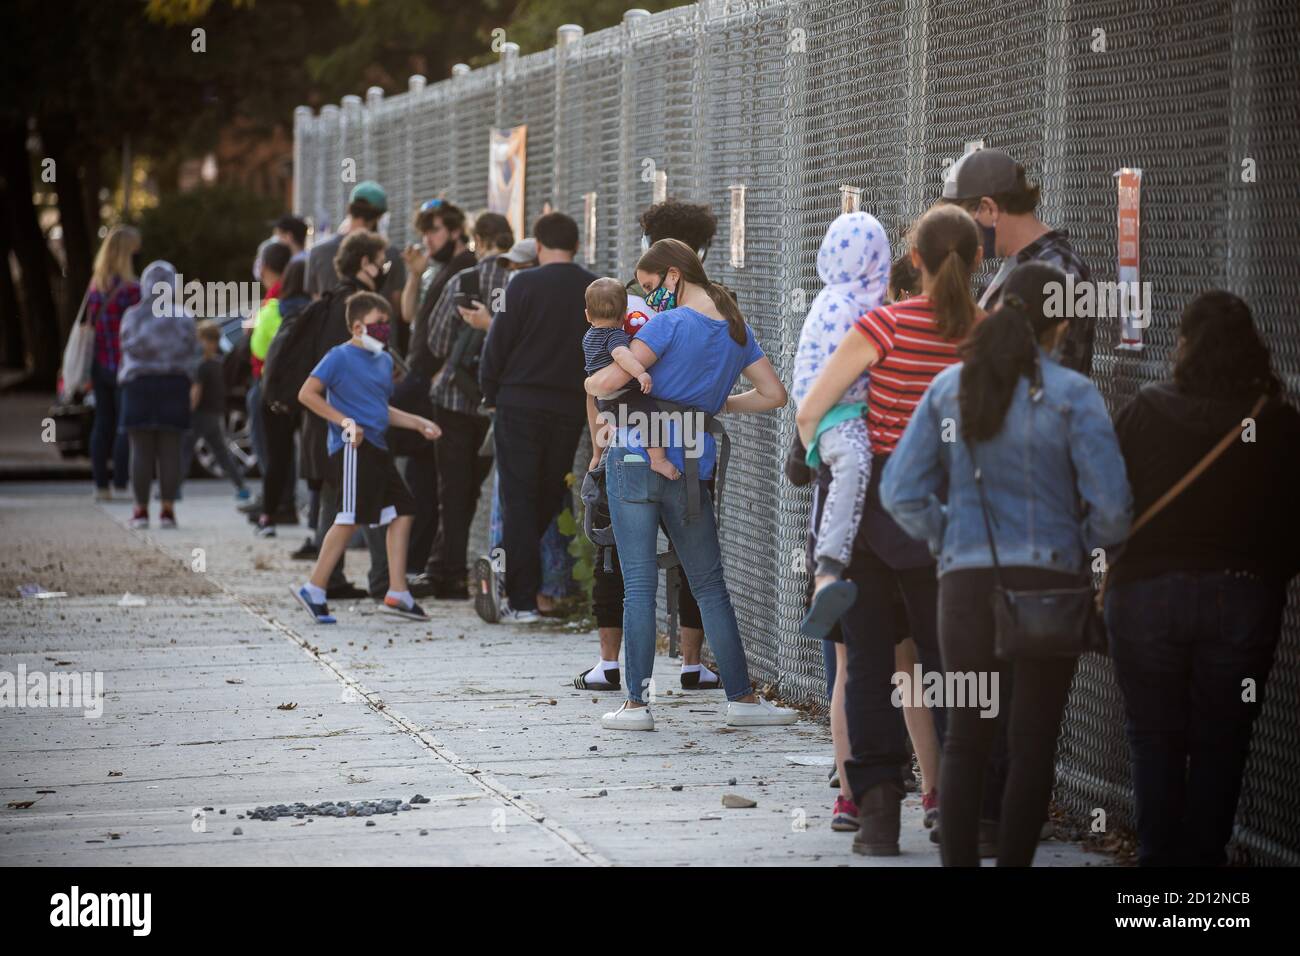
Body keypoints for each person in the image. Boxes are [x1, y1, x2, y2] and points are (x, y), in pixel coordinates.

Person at [881, 261, 1131, 866]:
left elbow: (900, 491)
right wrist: (1077, 544)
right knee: (1032, 742)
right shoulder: (1074, 395)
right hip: (1050, 586)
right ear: (1062, 324)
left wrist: (949, 540)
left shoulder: (951, 388)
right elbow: (1115, 514)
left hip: (965, 588)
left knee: (966, 739)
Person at [796, 203, 984, 856]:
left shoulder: (884, 323)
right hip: (950, 519)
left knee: (871, 665)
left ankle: (877, 814)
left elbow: (814, 405)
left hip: (873, 515)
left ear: (914, 262)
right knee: (951, 666)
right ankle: (960, 809)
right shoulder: (986, 336)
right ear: (980, 261)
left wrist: (819, 453)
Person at [1105, 290, 1300, 867]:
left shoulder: (1144, 410)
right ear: (1253, 349)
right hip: (1241, 598)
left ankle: (1159, 869)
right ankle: (1204, 872)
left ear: (1185, 345)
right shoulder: (1280, 424)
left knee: (1154, 736)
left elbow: (1110, 504)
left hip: (1143, 596)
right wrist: (1266, 576)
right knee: (1224, 740)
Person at [584, 238, 796, 731]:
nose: (651, 295)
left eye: (654, 285)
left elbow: (609, 383)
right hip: (693, 463)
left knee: (638, 583)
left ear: (675, 275)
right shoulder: (737, 328)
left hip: (636, 455)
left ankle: (636, 705)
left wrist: (593, 384)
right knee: (709, 584)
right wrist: (719, 404)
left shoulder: (667, 325)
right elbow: (774, 394)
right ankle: (742, 698)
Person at [576, 200, 720, 693]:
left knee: (617, 553)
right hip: (692, 442)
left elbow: (596, 383)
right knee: (694, 558)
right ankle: (692, 662)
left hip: (625, 441)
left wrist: (599, 440)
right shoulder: (710, 307)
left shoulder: (621, 303)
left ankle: (612, 664)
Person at [474, 212, 596, 624]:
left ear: (539, 246)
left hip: (518, 403)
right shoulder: (590, 287)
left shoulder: (521, 284)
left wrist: (490, 391)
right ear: (576, 246)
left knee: (519, 497)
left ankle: (521, 599)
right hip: (568, 405)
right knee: (547, 493)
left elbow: (498, 343)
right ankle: (522, 585)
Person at [292, 291, 441, 625]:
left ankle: (397, 592)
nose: (384, 330)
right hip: (352, 448)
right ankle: (314, 588)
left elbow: (379, 409)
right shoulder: (339, 357)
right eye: (378, 324)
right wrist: (343, 421)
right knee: (350, 517)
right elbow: (307, 393)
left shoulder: (384, 361)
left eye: (387, 324)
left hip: (377, 447)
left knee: (403, 510)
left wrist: (418, 423)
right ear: (357, 326)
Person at [408, 212, 514, 599]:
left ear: (479, 241)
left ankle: (448, 572)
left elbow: (434, 341)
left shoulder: (462, 281)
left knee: (451, 488)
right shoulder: (520, 282)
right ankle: (448, 566)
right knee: (473, 488)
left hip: (453, 401)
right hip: (495, 405)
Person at [794, 212, 890, 639]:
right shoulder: (841, 305)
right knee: (850, 464)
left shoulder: (864, 304)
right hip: (835, 416)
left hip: (844, 414)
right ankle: (828, 570)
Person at [941, 148, 1092, 375]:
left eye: (964, 222)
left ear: (989, 208)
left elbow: (1053, 375)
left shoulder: (1060, 269)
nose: (964, 234)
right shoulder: (1010, 265)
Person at [395, 199, 477, 573]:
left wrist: (441, 373)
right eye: (424, 232)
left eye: (434, 231)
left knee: (429, 477)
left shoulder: (467, 268)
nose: (427, 240)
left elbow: (464, 333)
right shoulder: (438, 270)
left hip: (437, 389)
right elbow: (409, 315)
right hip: (419, 380)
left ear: (456, 230)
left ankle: (425, 561)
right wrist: (415, 274)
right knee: (420, 472)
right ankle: (418, 560)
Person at [117, 261, 198, 530]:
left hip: (139, 384)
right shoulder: (184, 316)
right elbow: (191, 352)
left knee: (140, 449)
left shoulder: (133, 315)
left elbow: (126, 345)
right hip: (174, 384)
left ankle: (140, 511)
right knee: (170, 449)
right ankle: (167, 511)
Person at [582, 276, 679, 480]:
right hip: (623, 395)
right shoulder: (615, 335)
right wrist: (640, 372)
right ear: (625, 315)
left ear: (587, 315)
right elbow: (621, 354)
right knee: (651, 418)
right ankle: (658, 460)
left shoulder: (589, 336)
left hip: (603, 402)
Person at [254, 258, 310, 538]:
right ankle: (315, 517)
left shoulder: (272, 309)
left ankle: (268, 515)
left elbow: (258, 348)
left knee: (277, 457)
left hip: (275, 393)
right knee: (312, 452)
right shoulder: (317, 312)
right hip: (310, 392)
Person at [85, 225, 142, 500]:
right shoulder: (132, 290)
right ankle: (120, 483)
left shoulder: (96, 285)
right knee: (124, 425)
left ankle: (100, 485)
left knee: (102, 423)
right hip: (124, 366)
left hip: (99, 364)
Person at [246, 241, 295, 522]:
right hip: (278, 382)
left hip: (268, 382)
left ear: (263, 267)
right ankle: (277, 502)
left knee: (272, 450)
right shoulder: (284, 295)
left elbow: (261, 347)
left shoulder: (276, 300)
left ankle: (276, 504)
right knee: (280, 449)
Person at [306, 181, 406, 310]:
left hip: (331, 327)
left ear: (350, 209)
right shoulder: (390, 253)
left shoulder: (318, 251)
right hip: (379, 329)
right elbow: (397, 306)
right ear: (379, 217)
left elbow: (316, 301)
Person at [181, 320, 248, 498]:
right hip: (216, 414)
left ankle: (172, 490)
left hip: (200, 415)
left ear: (208, 341)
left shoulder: (200, 366)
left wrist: (189, 409)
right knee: (222, 454)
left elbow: (196, 391)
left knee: (185, 450)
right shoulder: (219, 363)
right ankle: (241, 487)